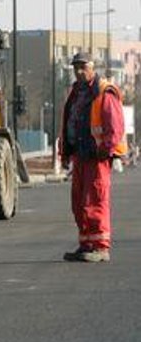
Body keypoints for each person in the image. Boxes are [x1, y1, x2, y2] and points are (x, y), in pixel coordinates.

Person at [59, 53, 126, 263]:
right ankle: (86, 243)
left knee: (96, 200)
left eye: (82, 67)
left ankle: (100, 246)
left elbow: (114, 127)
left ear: (92, 68)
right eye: (75, 67)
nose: (79, 71)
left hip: (96, 157)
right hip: (80, 155)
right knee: (79, 202)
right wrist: (65, 153)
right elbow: (69, 122)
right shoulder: (76, 93)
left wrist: (105, 150)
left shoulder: (103, 93)